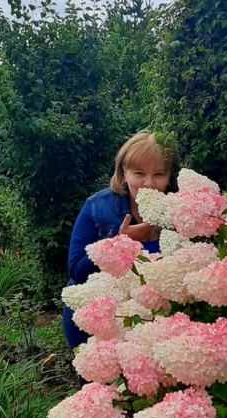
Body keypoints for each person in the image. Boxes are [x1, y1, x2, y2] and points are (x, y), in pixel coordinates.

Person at [63, 129, 179, 354]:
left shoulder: (179, 210)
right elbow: (76, 272)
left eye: (158, 174)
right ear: (124, 172)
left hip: (154, 327)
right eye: (139, 173)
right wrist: (117, 245)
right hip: (99, 322)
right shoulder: (97, 208)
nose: (149, 183)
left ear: (169, 176)